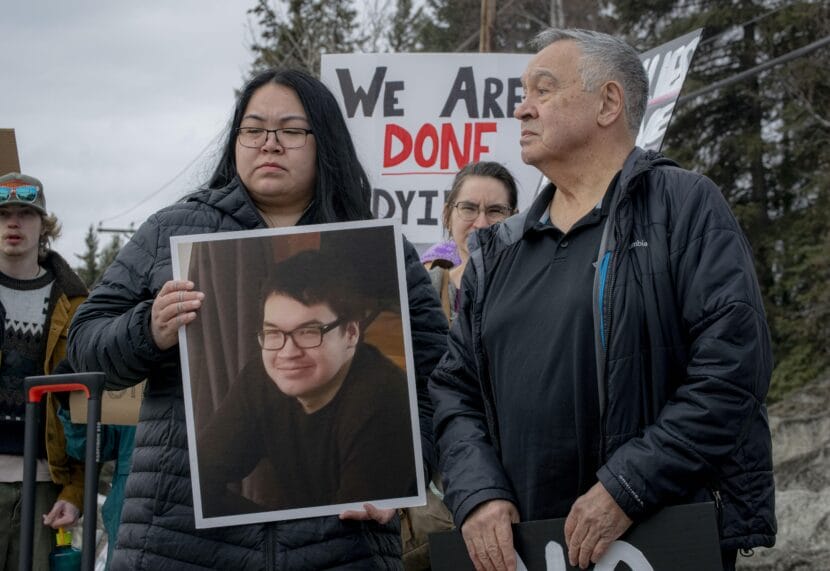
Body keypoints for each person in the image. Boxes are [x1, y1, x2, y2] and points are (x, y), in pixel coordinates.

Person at [67, 68, 448, 570]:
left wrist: (405, 477)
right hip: (175, 542)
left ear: (324, 142)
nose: (270, 144)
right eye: (253, 129)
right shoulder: (171, 230)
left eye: (291, 130)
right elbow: (85, 342)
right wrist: (148, 328)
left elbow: (442, 378)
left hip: (342, 547)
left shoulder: (376, 246)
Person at [429, 28, 776, 571]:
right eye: (523, 94)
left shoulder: (683, 208)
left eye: (542, 90)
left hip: (654, 539)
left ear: (608, 102)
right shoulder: (497, 250)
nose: (522, 109)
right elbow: (454, 390)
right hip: (524, 552)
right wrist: (477, 492)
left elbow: (732, 369)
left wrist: (627, 487)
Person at [197, 249, 416, 517]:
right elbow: (196, 479)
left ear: (351, 333)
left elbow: (351, 529)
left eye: (308, 332)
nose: (287, 352)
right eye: (273, 333)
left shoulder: (384, 398)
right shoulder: (263, 377)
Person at [0, 172, 88, 570]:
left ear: (44, 225)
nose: (13, 224)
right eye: (2, 214)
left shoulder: (77, 305)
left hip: (45, 486)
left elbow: (89, 410)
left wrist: (77, 490)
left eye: (25, 214)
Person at [421, 161, 518, 323]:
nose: (481, 224)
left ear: (514, 219)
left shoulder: (531, 290)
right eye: (468, 208)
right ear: (447, 215)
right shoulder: (426, 291)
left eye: (495, 211)